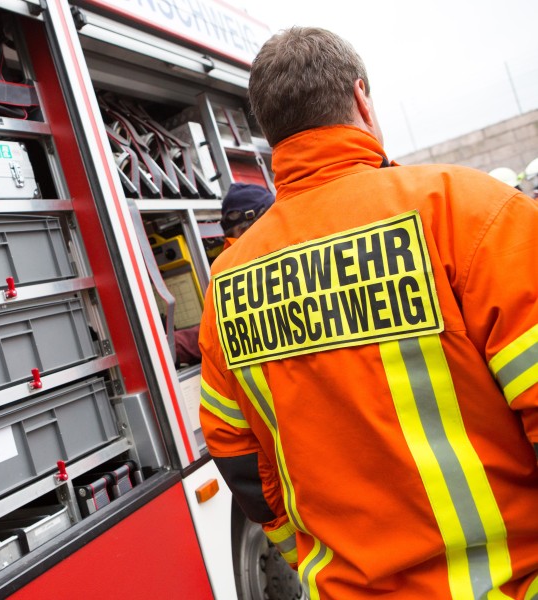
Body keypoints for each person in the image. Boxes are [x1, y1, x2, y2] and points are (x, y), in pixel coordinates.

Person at [198, 26, 538, 599]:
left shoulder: (226, 284)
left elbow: (242, 464)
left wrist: (306, 552)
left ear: (270, 132)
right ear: (361, 99)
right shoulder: (471, 212)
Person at [173, 182, 273, 366]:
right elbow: (224, 328)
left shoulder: (241, 271)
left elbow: (222, 330)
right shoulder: (238, 271)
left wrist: (173, 345)